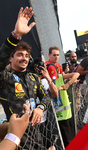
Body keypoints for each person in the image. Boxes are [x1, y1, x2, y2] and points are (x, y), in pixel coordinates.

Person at [0, 7, 51, 149]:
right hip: (17, 140)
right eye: (20, 54)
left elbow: (46, 96)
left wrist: (41, 108)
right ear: (11, 58)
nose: (24, 58)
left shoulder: (33, 77)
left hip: (38, 135)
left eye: (27, 56)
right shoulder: (5, 78)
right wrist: (15, 35)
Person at [47, 64, 80, 147]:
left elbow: (77, 74)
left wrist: (67, 84)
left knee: (69, 139)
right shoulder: (43, 81)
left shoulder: (60, 77)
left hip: (65, 115)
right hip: (53, 116)